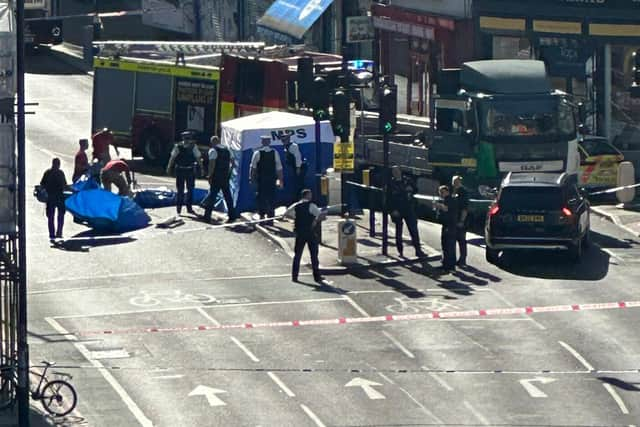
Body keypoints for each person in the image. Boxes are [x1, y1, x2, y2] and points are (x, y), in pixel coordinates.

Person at [283, 189, 326, 283]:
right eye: (310, 194)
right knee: (314, 255)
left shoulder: (296, 205)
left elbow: (285, 214)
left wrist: (295, 219)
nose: (311, 196)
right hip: (310, 232)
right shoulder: (312, 206)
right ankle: (317, 277)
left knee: (297, 255)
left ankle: (294, 276)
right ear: (307, 195)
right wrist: (315, 221)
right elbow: (321, 216)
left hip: (299, 232)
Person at [388, 166, 426, 258]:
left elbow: (415, 190)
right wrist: (392, 210)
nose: (396, 173)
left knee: (413, 230)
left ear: (401, 172)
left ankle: (418, 250)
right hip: (397, 210)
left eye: (397, 171)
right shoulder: (391, 183)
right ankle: (400, 251)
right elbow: (388, 199)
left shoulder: (407, 180)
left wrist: (411, 190)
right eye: (394, 171)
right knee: (398, 232)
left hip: (409, 208)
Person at [166, 131, 203, 215]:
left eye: (188, 138)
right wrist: (169, 167)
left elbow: (198, 158)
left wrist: (169, 167)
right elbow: (172, 158)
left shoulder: (187, 147)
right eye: (186, 138)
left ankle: (186, 208)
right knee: (182, 190)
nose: (186, 140)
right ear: (183, 138)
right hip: (183, 170)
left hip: (186, 170)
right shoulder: (180, 147)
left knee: (187, 190)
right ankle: (181, 208)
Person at [250, 136, 284, 225]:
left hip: (261, 180)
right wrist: (280, 180)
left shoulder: (257, 153)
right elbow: (279, 168)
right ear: (269, 142)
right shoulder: (275, 153)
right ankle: (271, 218)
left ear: (262, 142)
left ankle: (262, 217)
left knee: (261, 198)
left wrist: (251, 178)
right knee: (272, 198)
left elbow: (253, 168)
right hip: (272, 179)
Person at [202, 136, 236, 223]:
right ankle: (232, 215)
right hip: (225, 176)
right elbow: (233, 162)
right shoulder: (228, 150)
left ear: (212, 142)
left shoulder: (213, 150)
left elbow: (212, 164)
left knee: (212, 195)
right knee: (228, 196)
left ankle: (207, 216)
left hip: (216, 176)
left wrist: (209, 175)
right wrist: (229, 172)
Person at [40, 158, 68, 241]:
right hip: (58, 197)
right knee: (59, 216)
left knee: (52, 217)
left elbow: (42, 184)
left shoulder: (48, 173)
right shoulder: (60, 173)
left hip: (51, 198)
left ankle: (53, 234)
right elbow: (64, 185)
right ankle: (58, 233)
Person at [434, 185, 458, 271]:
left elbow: (446, 209)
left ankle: (449, 265)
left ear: (447, 192)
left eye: (442, 192)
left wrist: (438, 205)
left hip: (449, 225)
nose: (441, 194)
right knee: (445, 244)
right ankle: (446, 263)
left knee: (448, 245)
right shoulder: (445, 200)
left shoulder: (449, 200)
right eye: (440, 192)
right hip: (446, 225)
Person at [281, 133, 306, 204]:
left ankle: (302, 199)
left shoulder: (293, 146)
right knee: (296, 183)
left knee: (300, 184)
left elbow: (298, 157)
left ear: (288, 139)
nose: (283, 141)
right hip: (294, 167)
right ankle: (298, 199)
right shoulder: (286, 146)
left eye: (285, 139)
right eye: (282, 139)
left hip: (299, 167)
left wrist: (298, 168)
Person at [452, 175, 469, 267]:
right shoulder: (452, 191)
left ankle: (462, 259)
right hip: (453, 220)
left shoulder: (463, 192)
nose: (455, 183)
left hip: (460, 220)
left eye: (457, 181)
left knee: (461, 240)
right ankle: (453, 259)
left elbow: (464, 208)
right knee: (452, 240)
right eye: (454, 181)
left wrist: (462, 221)